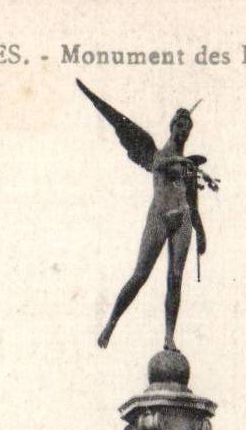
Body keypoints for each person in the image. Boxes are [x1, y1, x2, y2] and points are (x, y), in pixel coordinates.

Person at [77, 81, 216, 353]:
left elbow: (193, 201)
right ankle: (111, 323)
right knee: (140, 274)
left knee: (175, 278)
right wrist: (186, 163)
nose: (184, 132)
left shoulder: (187, 167)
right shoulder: (159, 154)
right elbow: (158, 165)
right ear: (172, 126)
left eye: (188, 128)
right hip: (159, 217)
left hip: (182, 220)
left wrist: (201, 231)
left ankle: (169, 337)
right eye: (180, 126)